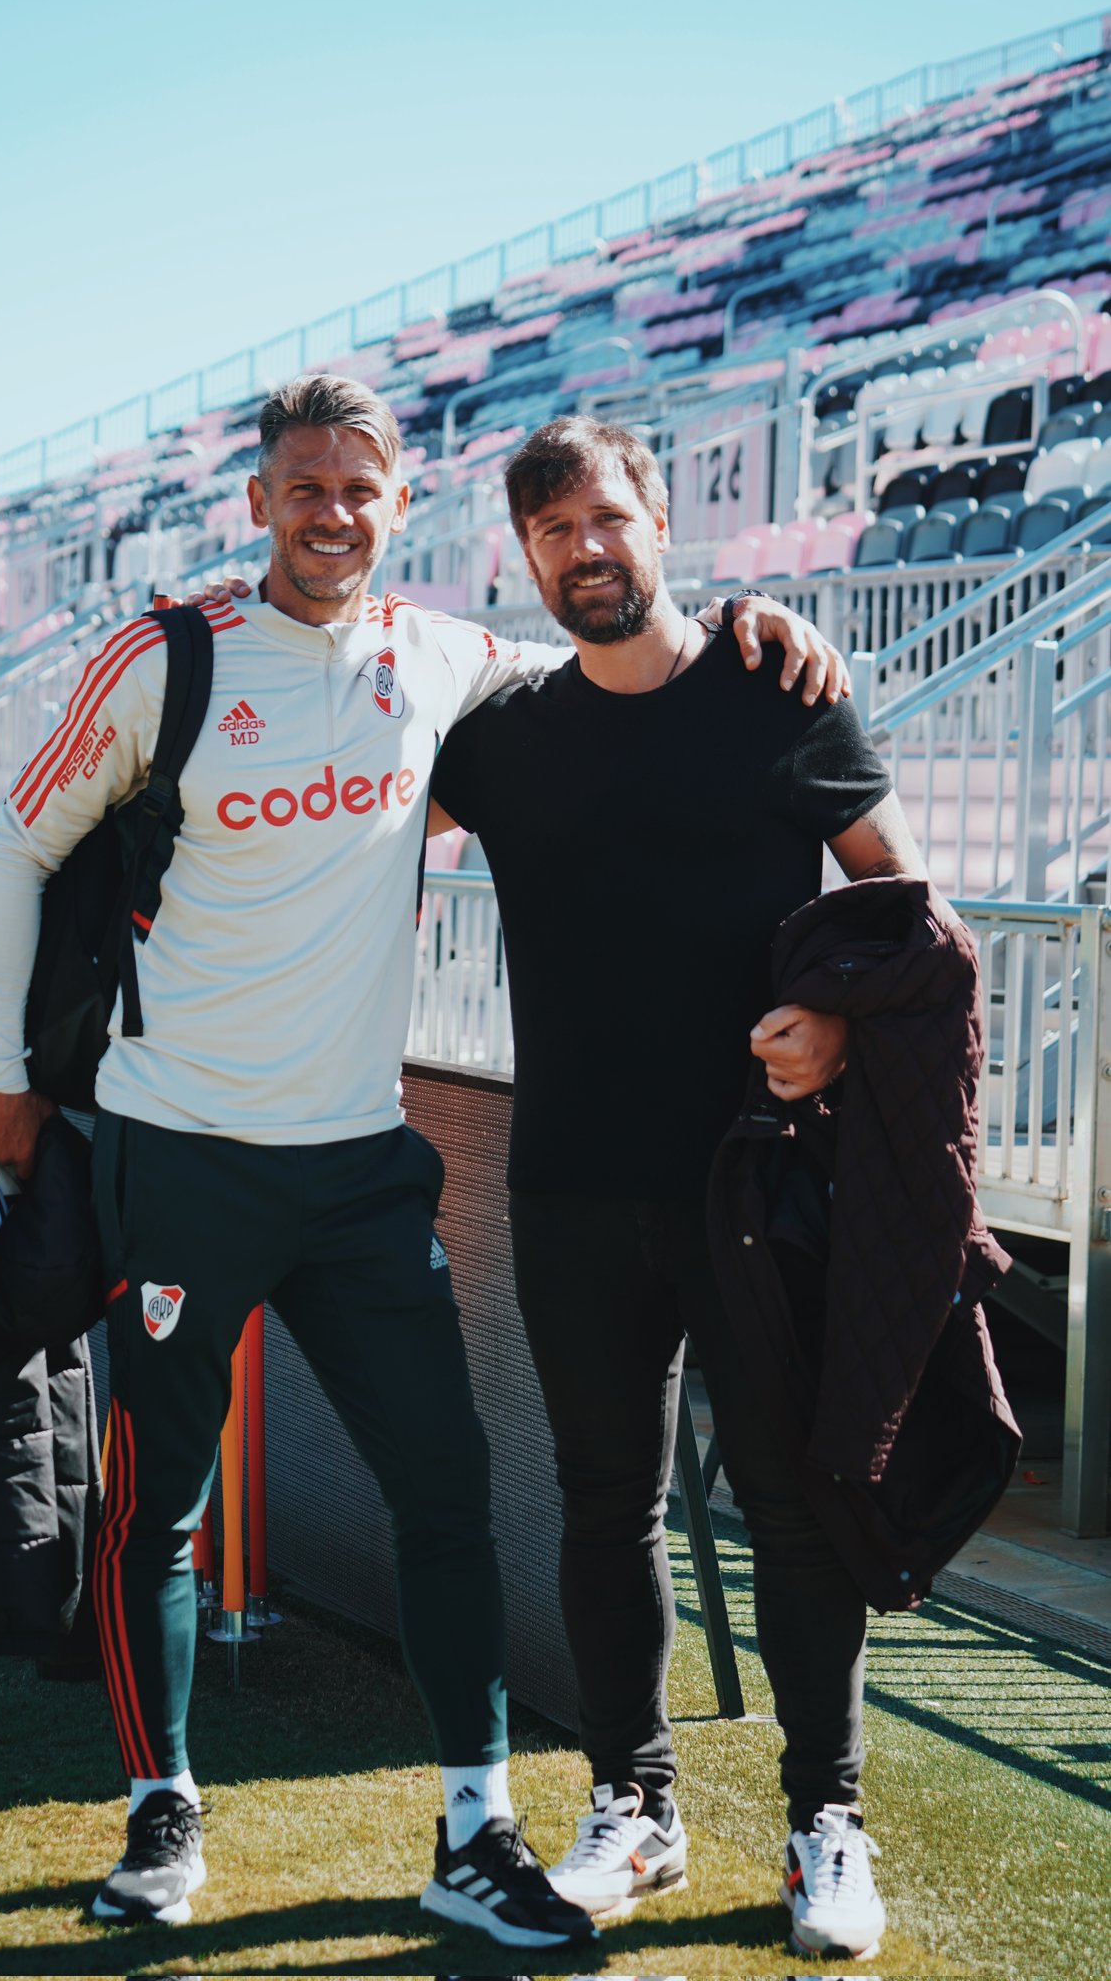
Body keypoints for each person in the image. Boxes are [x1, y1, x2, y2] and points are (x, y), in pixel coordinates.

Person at [0, 375, 846, 1945]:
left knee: (446, 1494)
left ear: (400, 507)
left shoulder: (447, 664)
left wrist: (755, 620)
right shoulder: (167, 659)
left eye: (361, 491)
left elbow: (626, 647)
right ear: (258, 501)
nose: (332, 515)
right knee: (155, 1504)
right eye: (304, 486)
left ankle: (473, 1827)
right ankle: (163, 1809)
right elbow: (17, 848)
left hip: (362, 1168)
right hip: (181, 1151)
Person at [426, 415, 928, 1964]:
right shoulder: (498, 739)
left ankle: (821, 1823)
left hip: (757, 1189)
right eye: (553, 530)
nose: (587, 547)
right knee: (601, 1506)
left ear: (661, 522)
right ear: (524, 556)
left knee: (790, 1506)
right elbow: (350, 815)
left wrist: (839, 1019)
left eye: (608, 517)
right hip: (573, 1183)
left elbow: (907, 912)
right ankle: (632, 1805)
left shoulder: (780, 691)